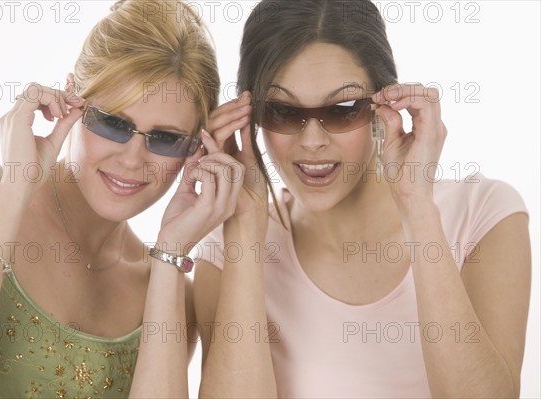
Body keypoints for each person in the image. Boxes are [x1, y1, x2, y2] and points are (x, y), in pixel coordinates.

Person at [194, 0, 531, 397]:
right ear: (248, 117)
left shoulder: (484, 215)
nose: (313, 142)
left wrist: (417, 207)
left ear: (385, 105)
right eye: (283, 112)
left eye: (342, 110)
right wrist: (246, 231)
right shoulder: (225, 253)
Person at [0, 0, 244, 397]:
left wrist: (170, 254)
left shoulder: (167, 294)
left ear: (196, 151)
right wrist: (14, 190)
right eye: (114, 122)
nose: (132, 160)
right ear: (71, 99)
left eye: (167, 139)